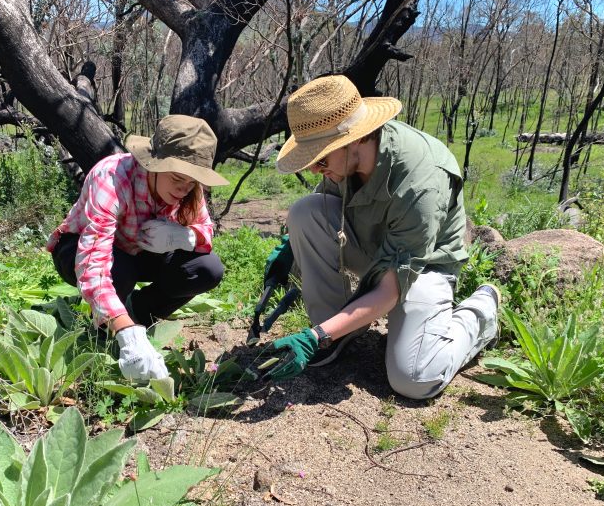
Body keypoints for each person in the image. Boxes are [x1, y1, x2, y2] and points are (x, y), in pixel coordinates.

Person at [263, 75, 500, 400]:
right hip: (374, 248)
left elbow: (390, 289)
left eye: (321, 159)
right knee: (304, 212)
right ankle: (336, 333)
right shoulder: (344, 161)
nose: (316, 170)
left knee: (414, 378)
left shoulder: (421, 181)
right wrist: (291, 248)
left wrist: (312, 336)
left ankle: (482, 312)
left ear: (354, 139)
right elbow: (326, 209)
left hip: (423, 267)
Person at [47, 115, 228, 382]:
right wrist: (126, 333)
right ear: (153, 163)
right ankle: (113, 329)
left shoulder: (188, 187)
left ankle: (138, 314)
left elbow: (206, 232)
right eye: (178, 177)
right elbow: (92, 264)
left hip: (141, 254)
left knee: (207, 269)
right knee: (120, 272)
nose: (184, 188)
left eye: (191, 181)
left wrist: (182, 237)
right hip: (82, 251)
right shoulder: (111, 177)